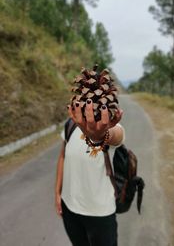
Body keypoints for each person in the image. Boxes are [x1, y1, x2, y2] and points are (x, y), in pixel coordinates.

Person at [55, 95, 125, 246]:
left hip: (100, 213)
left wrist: (101, 135)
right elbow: (62, 157)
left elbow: (116, 136)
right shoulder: (71, 125)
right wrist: (57, 192)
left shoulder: (110, 127)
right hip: (70, 209)